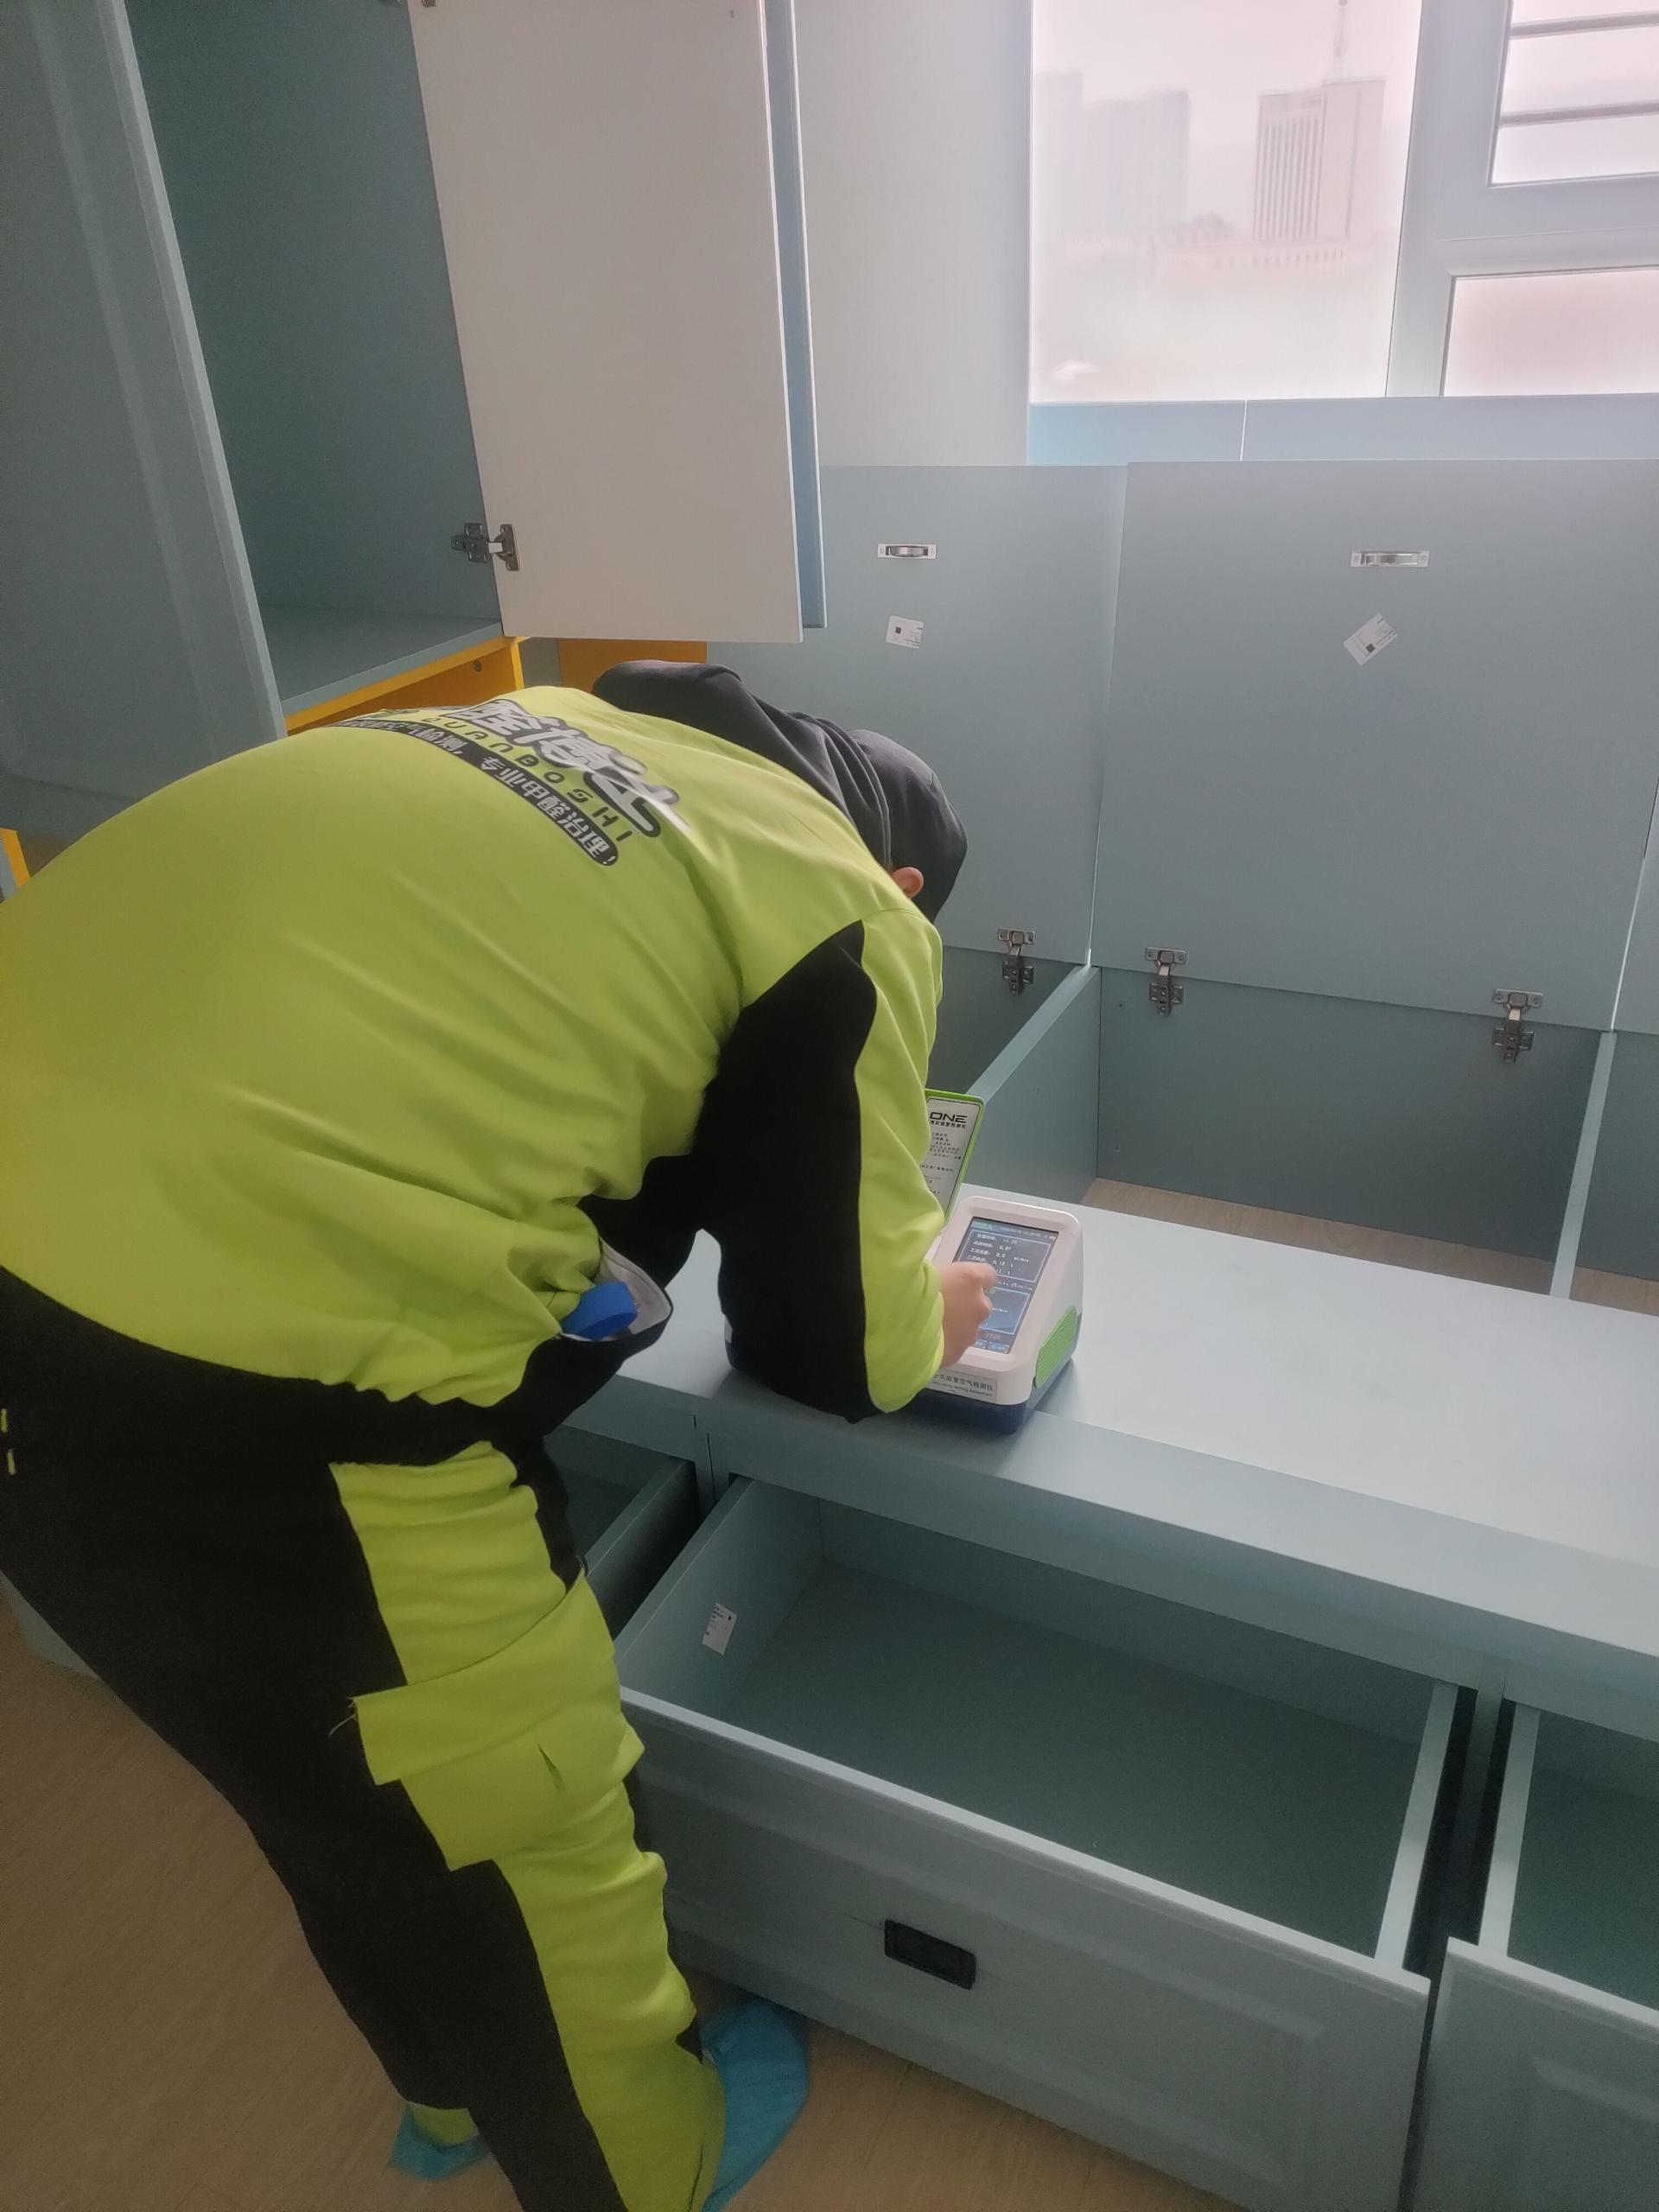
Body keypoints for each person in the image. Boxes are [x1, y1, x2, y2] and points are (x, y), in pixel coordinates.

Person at [0, 662, 994, 2212]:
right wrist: (940, 1298)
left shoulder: (523, 724)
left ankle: (448, 2090)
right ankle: (648, 2166)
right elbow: (836, 1353)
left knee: (301, 1755)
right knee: (509, 1804)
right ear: (908, 879)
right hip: (272, 1382)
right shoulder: (842, 901)